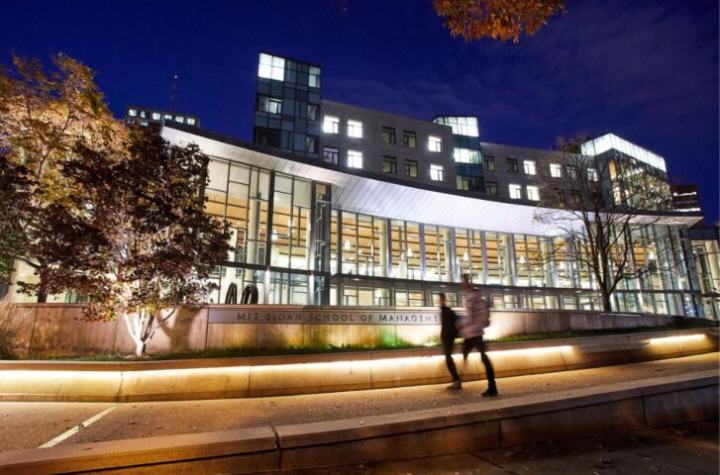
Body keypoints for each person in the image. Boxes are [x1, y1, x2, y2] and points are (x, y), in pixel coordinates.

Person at [459, 274, 498, 397]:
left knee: (477, 356)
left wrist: (460, 324)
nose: (462, 284)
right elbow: (484, 314)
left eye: (463, 282)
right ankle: (492, 385)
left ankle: (492, 386)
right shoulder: (478, 297)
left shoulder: (471, 298)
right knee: (477, 356)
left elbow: (470, 317)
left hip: (473, 333)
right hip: (475, 332)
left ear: (466, 283)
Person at [438, 292, 461, 390]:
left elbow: (452, 324)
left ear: (443, 300)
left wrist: (448, 335)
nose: (439, 301)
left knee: (448, 359)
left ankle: (456, 381)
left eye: (440, 299)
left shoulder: (447, 311)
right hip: (447, 338)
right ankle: (456, 380)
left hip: (448, 338)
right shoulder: (444, 311)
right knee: (449, 359)